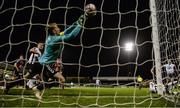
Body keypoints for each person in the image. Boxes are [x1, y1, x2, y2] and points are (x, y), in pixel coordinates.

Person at [32, 13, 92, 99]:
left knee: (45, 82)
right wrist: (79, 25)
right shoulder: (55, 39)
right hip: (44, 64)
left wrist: (76, 23)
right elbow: (71, 35)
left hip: (42, 63)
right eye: (57, 27)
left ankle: (37, 90)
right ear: (54, 31)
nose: (59, 28)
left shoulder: (54, 36)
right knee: (62, 79)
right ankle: (36, 88)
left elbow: (66, 31)